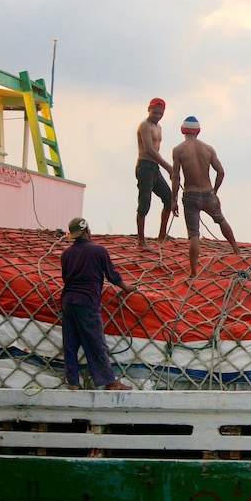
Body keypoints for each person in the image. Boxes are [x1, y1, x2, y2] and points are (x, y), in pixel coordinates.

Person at [60, 217, 136, 390]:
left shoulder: (66, 254)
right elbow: (112, 275)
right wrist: (126, 287)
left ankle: (73, 383)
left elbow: (66, 278)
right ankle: (110, 382)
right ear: (88, 230)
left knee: (70, 343)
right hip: (86, 301)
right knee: (96, 341)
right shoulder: (98, 250)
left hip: (67, 301)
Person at [171, 116, 241, 277]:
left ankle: (193, 272)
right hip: (208, 193)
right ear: (199, 131)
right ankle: (236, 250)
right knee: (221, 220)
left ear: (182, 130)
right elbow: (221, 172)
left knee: (194, 234)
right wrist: (214, 191)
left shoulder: (178, 150)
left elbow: (176, 177)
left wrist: (173, 200)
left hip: (190, 195)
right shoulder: (208, 149)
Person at [135, 97, 173, 250]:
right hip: (145, 166)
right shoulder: (144, 125)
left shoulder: (159, 127)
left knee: (169, 198)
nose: (157, 115)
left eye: (160, 113)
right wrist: (168, 167)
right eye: (155, 112)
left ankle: (162, 234)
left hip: (155, 167)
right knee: (144, 203)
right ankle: (141, 241)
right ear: (148, 109)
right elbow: (149, 150)